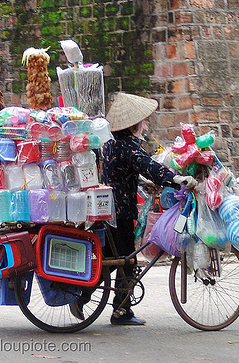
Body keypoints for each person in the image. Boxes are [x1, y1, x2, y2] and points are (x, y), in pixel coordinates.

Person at [69, 92, 196, 325]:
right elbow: (148, 166)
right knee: (124, 259)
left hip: (108, 208)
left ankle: (95, 300)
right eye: (144, 122)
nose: (145, 125)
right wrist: (176, 179)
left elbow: (124, 172)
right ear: (135, 124)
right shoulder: (128, 146)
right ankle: (103, 304)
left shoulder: (111, 143)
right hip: (119, 211)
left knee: (112, 258)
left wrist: (145, 183)